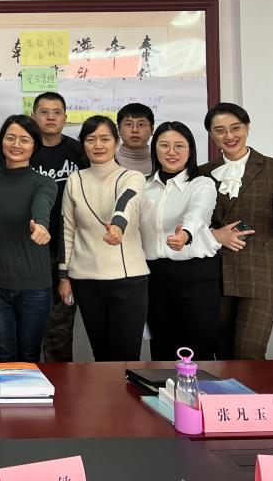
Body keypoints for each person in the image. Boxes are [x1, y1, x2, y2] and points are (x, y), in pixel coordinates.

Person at [200, 102, 273, 360]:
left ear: (247, 128)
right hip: (214, 275)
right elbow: (196, 223)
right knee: (222, 357)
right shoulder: (202, 173)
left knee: (249, 356)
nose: (229, 136)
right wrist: (216, 234)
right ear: (212, 135)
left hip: (259, 275)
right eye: (220, 130)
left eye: (236, 128)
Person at [58, 116, 147, 361]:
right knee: (101, 355)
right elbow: (67, 229)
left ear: (116, 143)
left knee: (126, 355)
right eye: (91, 139)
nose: (98, 145)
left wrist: (117, 226)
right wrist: (64, 276)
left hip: (127, 279)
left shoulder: (132, 176)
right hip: (85, 280)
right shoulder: (75, 180)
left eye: (105, 139)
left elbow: (126, 201)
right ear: (83, 144)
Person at [0, 116, 57, 363]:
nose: (16, 145)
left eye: (25, 140)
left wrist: (41, 225)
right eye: (10, 138)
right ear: (1, 141)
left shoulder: (44, 182)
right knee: (0, 353)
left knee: (29, 355)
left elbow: (42, 205)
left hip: (34, 287)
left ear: (35, 146)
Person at [139, 121, 220, 361]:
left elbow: (198, 212)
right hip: (154, 277)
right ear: (155, 149)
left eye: (179, 146)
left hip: (196, 275)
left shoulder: (201, 183)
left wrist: (185, 234)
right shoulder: (143, 186)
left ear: (190, 150)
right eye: (164, 145)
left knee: (198, 350)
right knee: (162, 352)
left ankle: (200, 388)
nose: (171, 152)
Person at [31, 91, 88, 361]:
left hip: (69, 251)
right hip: (31, 250)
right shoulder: (23, 149)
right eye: (44, 112)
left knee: (61, 328)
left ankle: (60, 381)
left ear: (65, 117)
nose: (51, 117)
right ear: (33, 116)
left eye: (56, 112)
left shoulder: (79, 152)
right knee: (30, 324)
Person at [116, 103, 155, 175]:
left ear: (152, 129)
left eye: (141, 124)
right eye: (128, 124)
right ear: (119, 129)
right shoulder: (108, 162)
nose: (135, 130)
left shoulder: (161, 162)